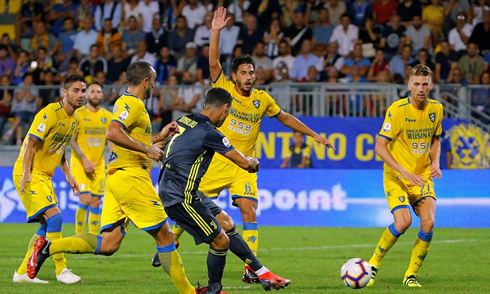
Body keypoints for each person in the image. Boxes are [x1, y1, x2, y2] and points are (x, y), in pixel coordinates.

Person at [170, 6, 335, 283]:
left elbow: (284, 118)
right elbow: (213, 64)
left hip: (243, 165)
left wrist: (313, 134)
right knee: (192, 203)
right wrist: (215, 32)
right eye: (244, 72)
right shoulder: (224, 89)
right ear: (234, 76)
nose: (250, 77)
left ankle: (250, 269)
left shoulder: (262, 98)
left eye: (252, 72)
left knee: (249, 209)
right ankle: (170, 241)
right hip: (217, 161)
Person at [27, 62, 195, 294]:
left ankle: (48, 247)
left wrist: (158, 137)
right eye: (153, 81)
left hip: (120, 177)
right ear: (146, 81)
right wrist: (147, 150)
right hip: (131, 177)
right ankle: (190, 292)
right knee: (166, 235)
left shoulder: (132, 105)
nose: (154, 86)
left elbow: (131, 141)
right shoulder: (131, 103)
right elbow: (113, 133)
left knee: (108, 244)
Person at [158, 87, 291, 293]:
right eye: (227, 113)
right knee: (221, 241)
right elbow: (246, 164)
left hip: (183, 190)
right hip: (180, 196)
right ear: (225, 108)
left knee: (227, 223)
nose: (226, 117)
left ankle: (262, 272)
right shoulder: (211, 133)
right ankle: (214, 290)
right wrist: (254, 162)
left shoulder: (185, 120)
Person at [366, 64, 443, 288]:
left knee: (428, 222)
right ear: (409, 85)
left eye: (425, 84)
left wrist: (435, 161)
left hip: (422, 176)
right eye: (416, 84)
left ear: (431, 85)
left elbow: (436, 137)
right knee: (403, 222)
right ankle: (373, 265)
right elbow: (380, 147)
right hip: (397, 177)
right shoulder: (398, 110)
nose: (421, 88)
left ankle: (411, 274)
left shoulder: (437, 109)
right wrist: (403, 171)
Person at [12, 74, 86, 284]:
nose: (81, 95)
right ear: (64, 92)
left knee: (46, 228)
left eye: (83, 91)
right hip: (30, 172)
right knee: (56, 218)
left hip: (44, 176)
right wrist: (26, 172)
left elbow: (61, 149)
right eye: (76, 90)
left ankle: (22, 273)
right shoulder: (49, 113)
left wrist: (69, 175)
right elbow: (31, 143)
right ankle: (61, 270)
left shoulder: (74, 120)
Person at [70, 82, 112, 235]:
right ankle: (79, 235)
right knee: (85, 199)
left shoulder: (107, 116)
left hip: (99, 164)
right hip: (80, 163)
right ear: (86, 95)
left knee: (96, 201)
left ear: (102, 95)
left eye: (99, 91)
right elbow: (72, 141)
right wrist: (84, 160)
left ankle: (94, 238)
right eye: (92, 91)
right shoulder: (79, 114)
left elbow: (113, 140)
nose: (96, 94)